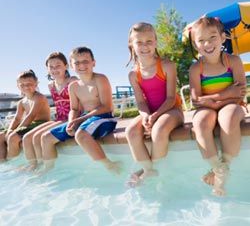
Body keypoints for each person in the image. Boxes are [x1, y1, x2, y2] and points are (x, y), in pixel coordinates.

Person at [188, 17, 247, 196]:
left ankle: (224, 167)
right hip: (209, 108)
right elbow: (196, 100)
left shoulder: (233, 61)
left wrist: (214, 100)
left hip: (232, 106)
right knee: (200, 123)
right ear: (196, 44)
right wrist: (225, 94)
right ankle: (217, 167)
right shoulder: (195, 69)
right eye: (201, 40)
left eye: (212, 37)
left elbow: (240, 93)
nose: (207, 43)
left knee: (227, 118)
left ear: (223, 38)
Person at [39, 46, 121, 174]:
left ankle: (109, 165)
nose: (81, 65)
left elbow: (107, 106)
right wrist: (71, 122)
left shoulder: (100, 79)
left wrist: (79, 120)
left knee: (81, 135)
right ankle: (50, 169)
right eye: (77, 62)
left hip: (104, 118)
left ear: (94, 63)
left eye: (85, 61)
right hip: (85, 119)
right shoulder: (73, 86)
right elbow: (74, 108)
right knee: (46, 137)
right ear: (71, 66)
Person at [125, 22, 184, 186]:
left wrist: (155, 116)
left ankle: (156, 168)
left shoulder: (167, 66)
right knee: (131, 131)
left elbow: (171, 98)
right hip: (150, 112)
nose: (144, 46)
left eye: (149, 41)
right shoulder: (133, 74)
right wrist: (145, 116)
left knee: (158, 130)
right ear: (132, 44)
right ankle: (148, 169)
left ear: (156, 42)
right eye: (139, 42)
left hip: (172, 111)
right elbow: (140, 102)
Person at [21, 52, 77, 171]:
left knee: (42, 137)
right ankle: (35, 165)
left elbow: (78, 105)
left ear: (66, 66)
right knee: (28, 137)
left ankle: (48, 168)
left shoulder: (72, 80)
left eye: (58, 65)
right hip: (59, 119)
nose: (54, 69)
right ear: (47, 69)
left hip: (73, 117)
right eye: (51, 67)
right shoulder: (50, 85)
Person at [0, 70, 50, 161]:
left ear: (36, 83)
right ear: (18, 86)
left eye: (29, 84)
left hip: (41, 124)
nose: (26, 87)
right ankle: (2, 161)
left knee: (13, 137)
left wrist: (15, 131)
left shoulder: (39, 97)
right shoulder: (22, 102)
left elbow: (31, 115)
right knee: (1, 136)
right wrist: (10, 130)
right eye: (22, 85)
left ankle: (12, 161)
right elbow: (17, 118)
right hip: (29, 125)